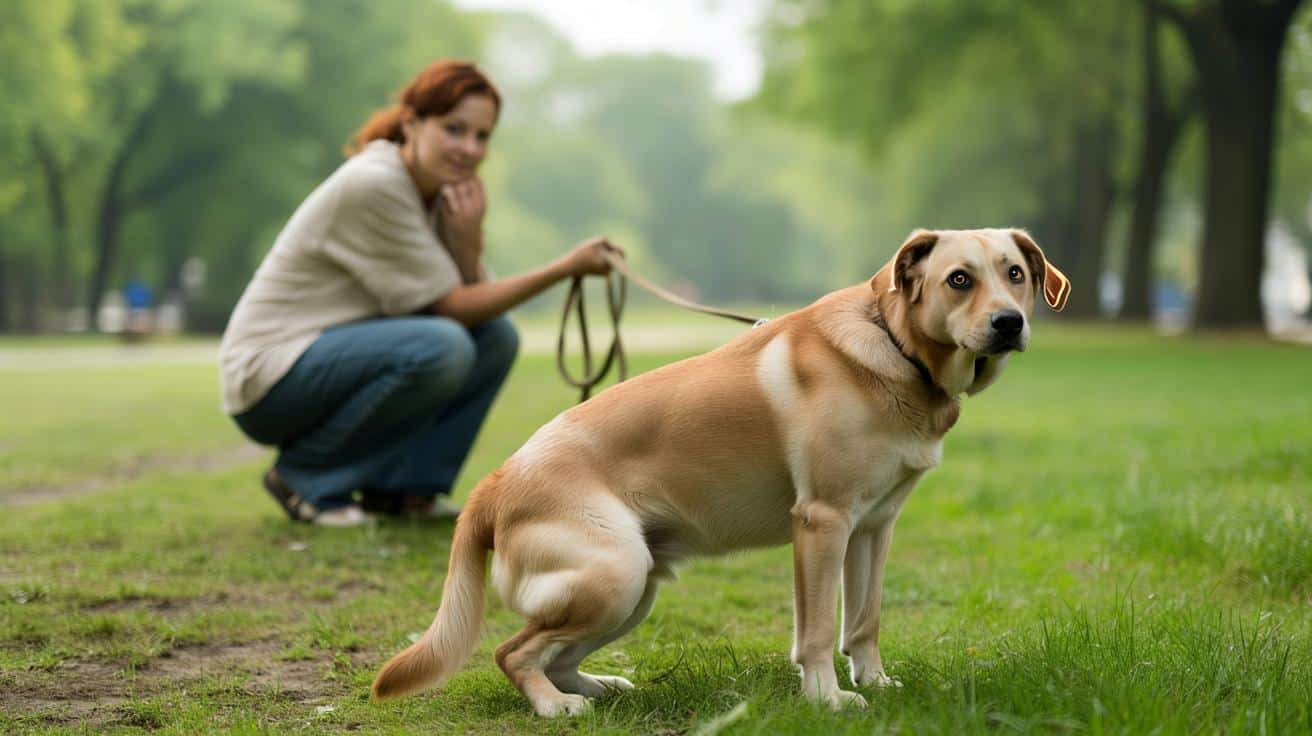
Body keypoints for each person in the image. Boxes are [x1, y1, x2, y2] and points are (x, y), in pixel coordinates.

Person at [218, 60, 619, 527]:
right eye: (454, 129)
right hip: (269, 377)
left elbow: (475, 308)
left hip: (329, 360)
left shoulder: (437, 194)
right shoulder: (377, 184)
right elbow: (453, 309)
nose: (470, 148)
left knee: (496, 338)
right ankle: (305, 477)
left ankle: (405, 490)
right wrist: (567, 266)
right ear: (411, 122)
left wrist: (468, 242)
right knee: (441, 346)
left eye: (482, 136)